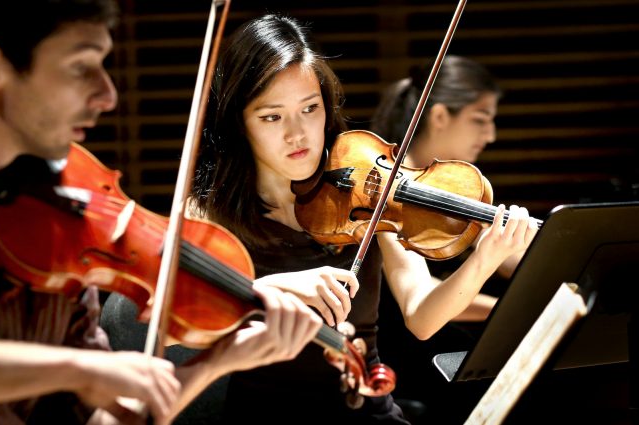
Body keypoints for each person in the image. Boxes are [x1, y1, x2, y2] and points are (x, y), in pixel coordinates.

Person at [0, 1, 324, 424]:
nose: (108, 94)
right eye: (81, 67)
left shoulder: (66, 213)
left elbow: (108, 418)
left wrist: (218, 361)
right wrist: (78, 368)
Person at [186, 14, 537, 424]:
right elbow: (182, 321)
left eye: (310, 109)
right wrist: (267, 289)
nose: (297, 134)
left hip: (367, 409)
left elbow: (423, 316)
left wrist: (484, 260)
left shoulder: (366, 182)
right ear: (239, 122)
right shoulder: (206, 213)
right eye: (272, 117)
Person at [369, 56, 525, 423]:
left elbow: (511, 261)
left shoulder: (457, 188)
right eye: (480, 119)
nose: (490, 135)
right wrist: (511, 315)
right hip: (406, 363)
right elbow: (425, 301)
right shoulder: (384, 191)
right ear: (439, 117)